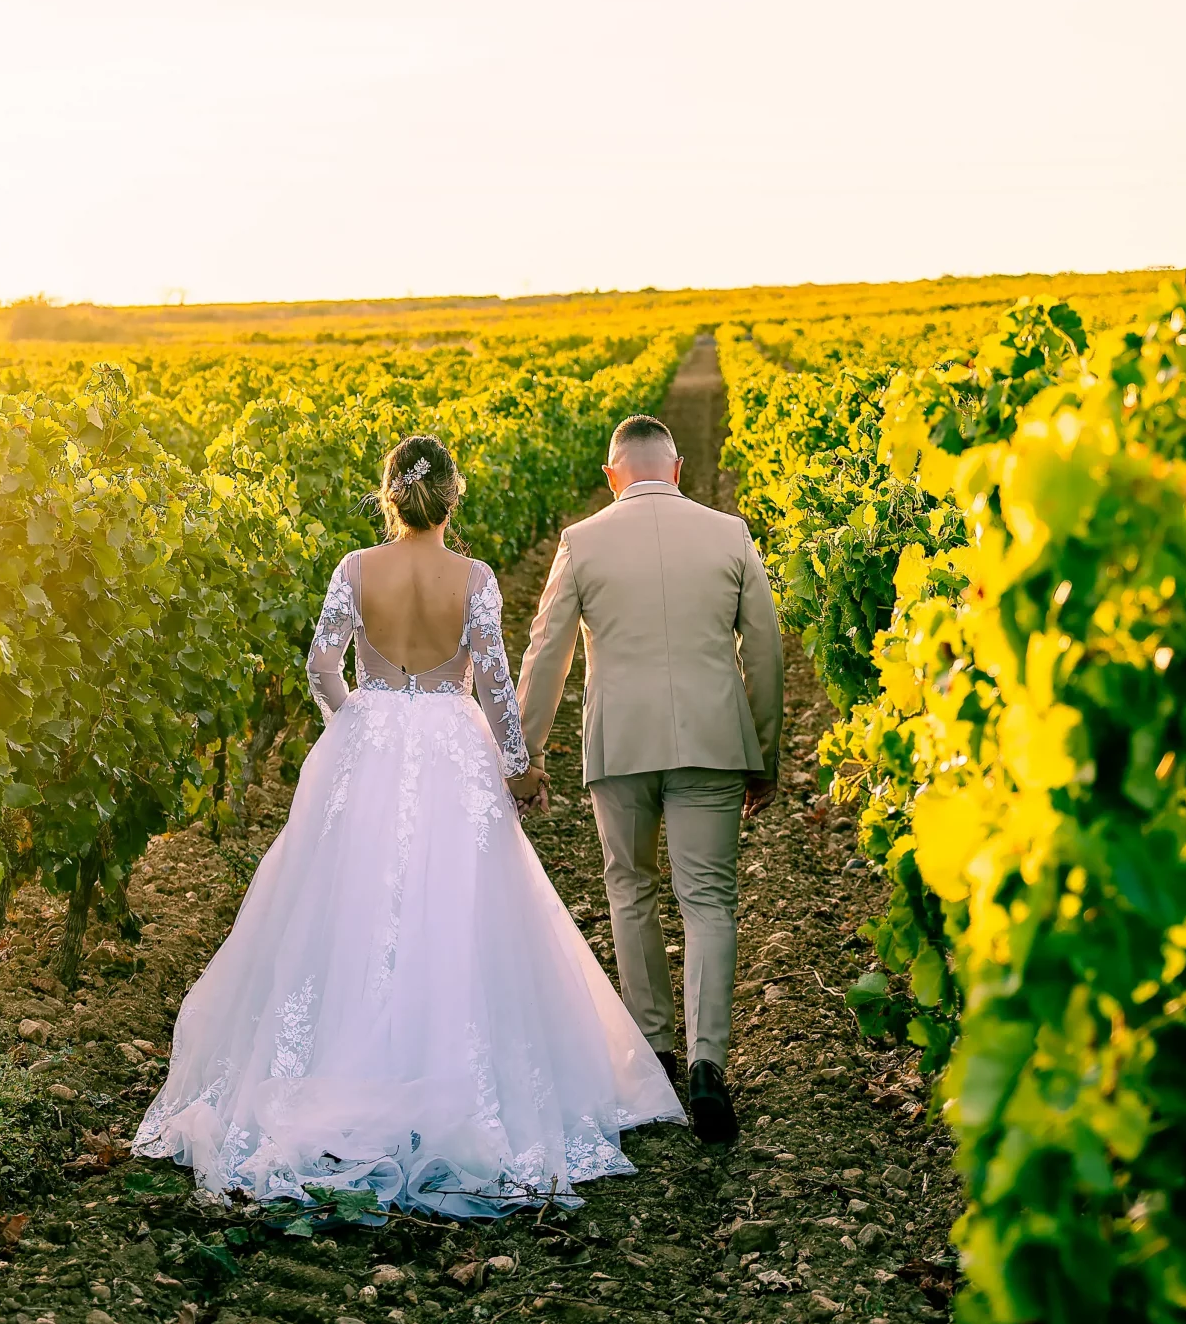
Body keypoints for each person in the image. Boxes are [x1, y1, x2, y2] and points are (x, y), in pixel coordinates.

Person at [132, 432, 685, 1216]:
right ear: (451, 498)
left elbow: (320, 665)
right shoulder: (474, 578)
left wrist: (354, 723)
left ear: (388, 495)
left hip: (371, 739)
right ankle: (452, 1077)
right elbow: (494, 683)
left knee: (352, 906)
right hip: (452, 743)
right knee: (457, 906)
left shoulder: (355, 569)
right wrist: (518, 766)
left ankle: (343, 1069)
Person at [516, 413, 784, 1146]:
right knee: (709, 899)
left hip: (620, 744)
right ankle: (707, 1064)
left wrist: (525, 756)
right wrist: (763, 755)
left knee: (629, 889)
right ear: (677, 469)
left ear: (613, 475)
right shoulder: (730, 534)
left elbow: (546, 654)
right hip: (711, 741)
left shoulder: (581, 541)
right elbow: (764, 652)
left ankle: (654, 1053)